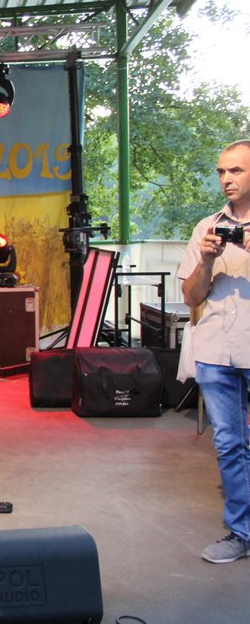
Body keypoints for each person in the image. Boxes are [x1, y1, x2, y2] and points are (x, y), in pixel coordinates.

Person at [179, 139, 250, 563]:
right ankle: (241, 532)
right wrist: (206, 261)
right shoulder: (207, 227)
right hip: (216, 353)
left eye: (236, 170)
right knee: (229, 445)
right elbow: (191, 297)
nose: (226, 179)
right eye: (221, 171)